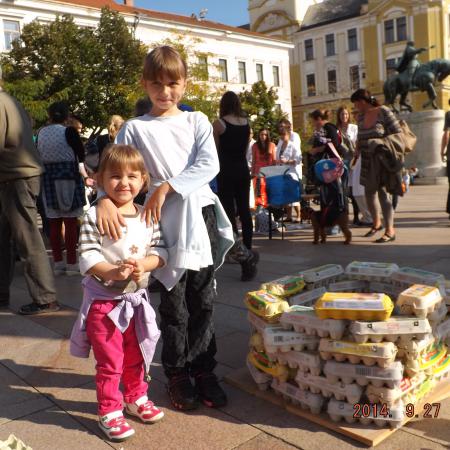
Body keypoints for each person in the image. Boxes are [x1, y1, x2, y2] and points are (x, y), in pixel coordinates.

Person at [96, 46, 234, 411]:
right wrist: (104, 200)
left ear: (184, 84)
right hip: (159, 224)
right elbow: (112, 170)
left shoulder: (197, 121)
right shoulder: (134, 128)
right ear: (145, 84)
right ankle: (176, 373)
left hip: (196, 217)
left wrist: (166, 187)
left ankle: (205, 369)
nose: (165, 91)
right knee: (173, 303)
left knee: (202, 299)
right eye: (157, 84)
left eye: (173, 83)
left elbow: (208, 165)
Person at [70, 145, 167, 442]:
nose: (124, 183)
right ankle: (109, 410)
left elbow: (160, 251)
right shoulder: (93, 216)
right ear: (99, 179)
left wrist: (145, 266)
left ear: (143, 181)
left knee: (137, 354)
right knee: (110, 361)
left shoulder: (148, 215)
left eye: (132, 176)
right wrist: (110, 271)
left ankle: (136, 396)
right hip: (104, 304)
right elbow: (85, 255)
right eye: (115, 176)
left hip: (137, 302)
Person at [0, 70, 59, 315]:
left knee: (27, 237)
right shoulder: (10, 100)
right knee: (3, 238)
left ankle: (45, 298)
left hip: (17, 175)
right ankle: (2, 293)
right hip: (16, 174)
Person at [37, 101, 87, 275]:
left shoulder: (41, 132)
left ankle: (58, 263)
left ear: (49, 115)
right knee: (71, 223)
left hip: (48, 179)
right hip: (69, 177)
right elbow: (81, 154)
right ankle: (72, 264)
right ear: (67, 116)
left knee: (54, 223)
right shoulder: (69, 131)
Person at [213, 91, 259, 281]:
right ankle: (247, 248)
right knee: (245, 212)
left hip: (225, 171)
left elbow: (214, 150)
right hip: (242, 170)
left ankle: (237, 252)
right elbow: (245, 148)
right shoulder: (246, 123)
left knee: (228, 213)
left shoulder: (219, 123)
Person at [351, 89, 404, 243]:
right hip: (366, 159)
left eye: (355, 103)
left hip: (383, 159)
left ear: (362, 101)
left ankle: (390, 230)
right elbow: (360, 137)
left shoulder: (383, 111)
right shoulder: (360, 116)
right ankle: (376, 223)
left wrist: (380, 142)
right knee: (368, 192)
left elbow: (398, 133)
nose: (355, 107)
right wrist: (357, 150)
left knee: (383, 193)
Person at [336, 105, 372, 226]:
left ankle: (359, 216)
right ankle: (347, 216)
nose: (344, 116)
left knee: (356, 189)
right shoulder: (337, 129)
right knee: (346, 191)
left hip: (355, 160)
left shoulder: (354, 128)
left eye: (346, 114)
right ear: (339, 116)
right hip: (342, 161)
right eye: (342, 114)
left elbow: (358, 142)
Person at [276, 127, 302, 222]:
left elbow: (299, 159)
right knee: (286, 195)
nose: (282, 137)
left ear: (288, 135)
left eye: (284, 135)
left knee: (293, 195)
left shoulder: (293, 145)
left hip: (291, 172)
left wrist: (288, 161)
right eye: (281, 135)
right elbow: (277, 156)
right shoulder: (280, 146)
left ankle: (299, 215)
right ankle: (289, 216)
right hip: (282, 172)